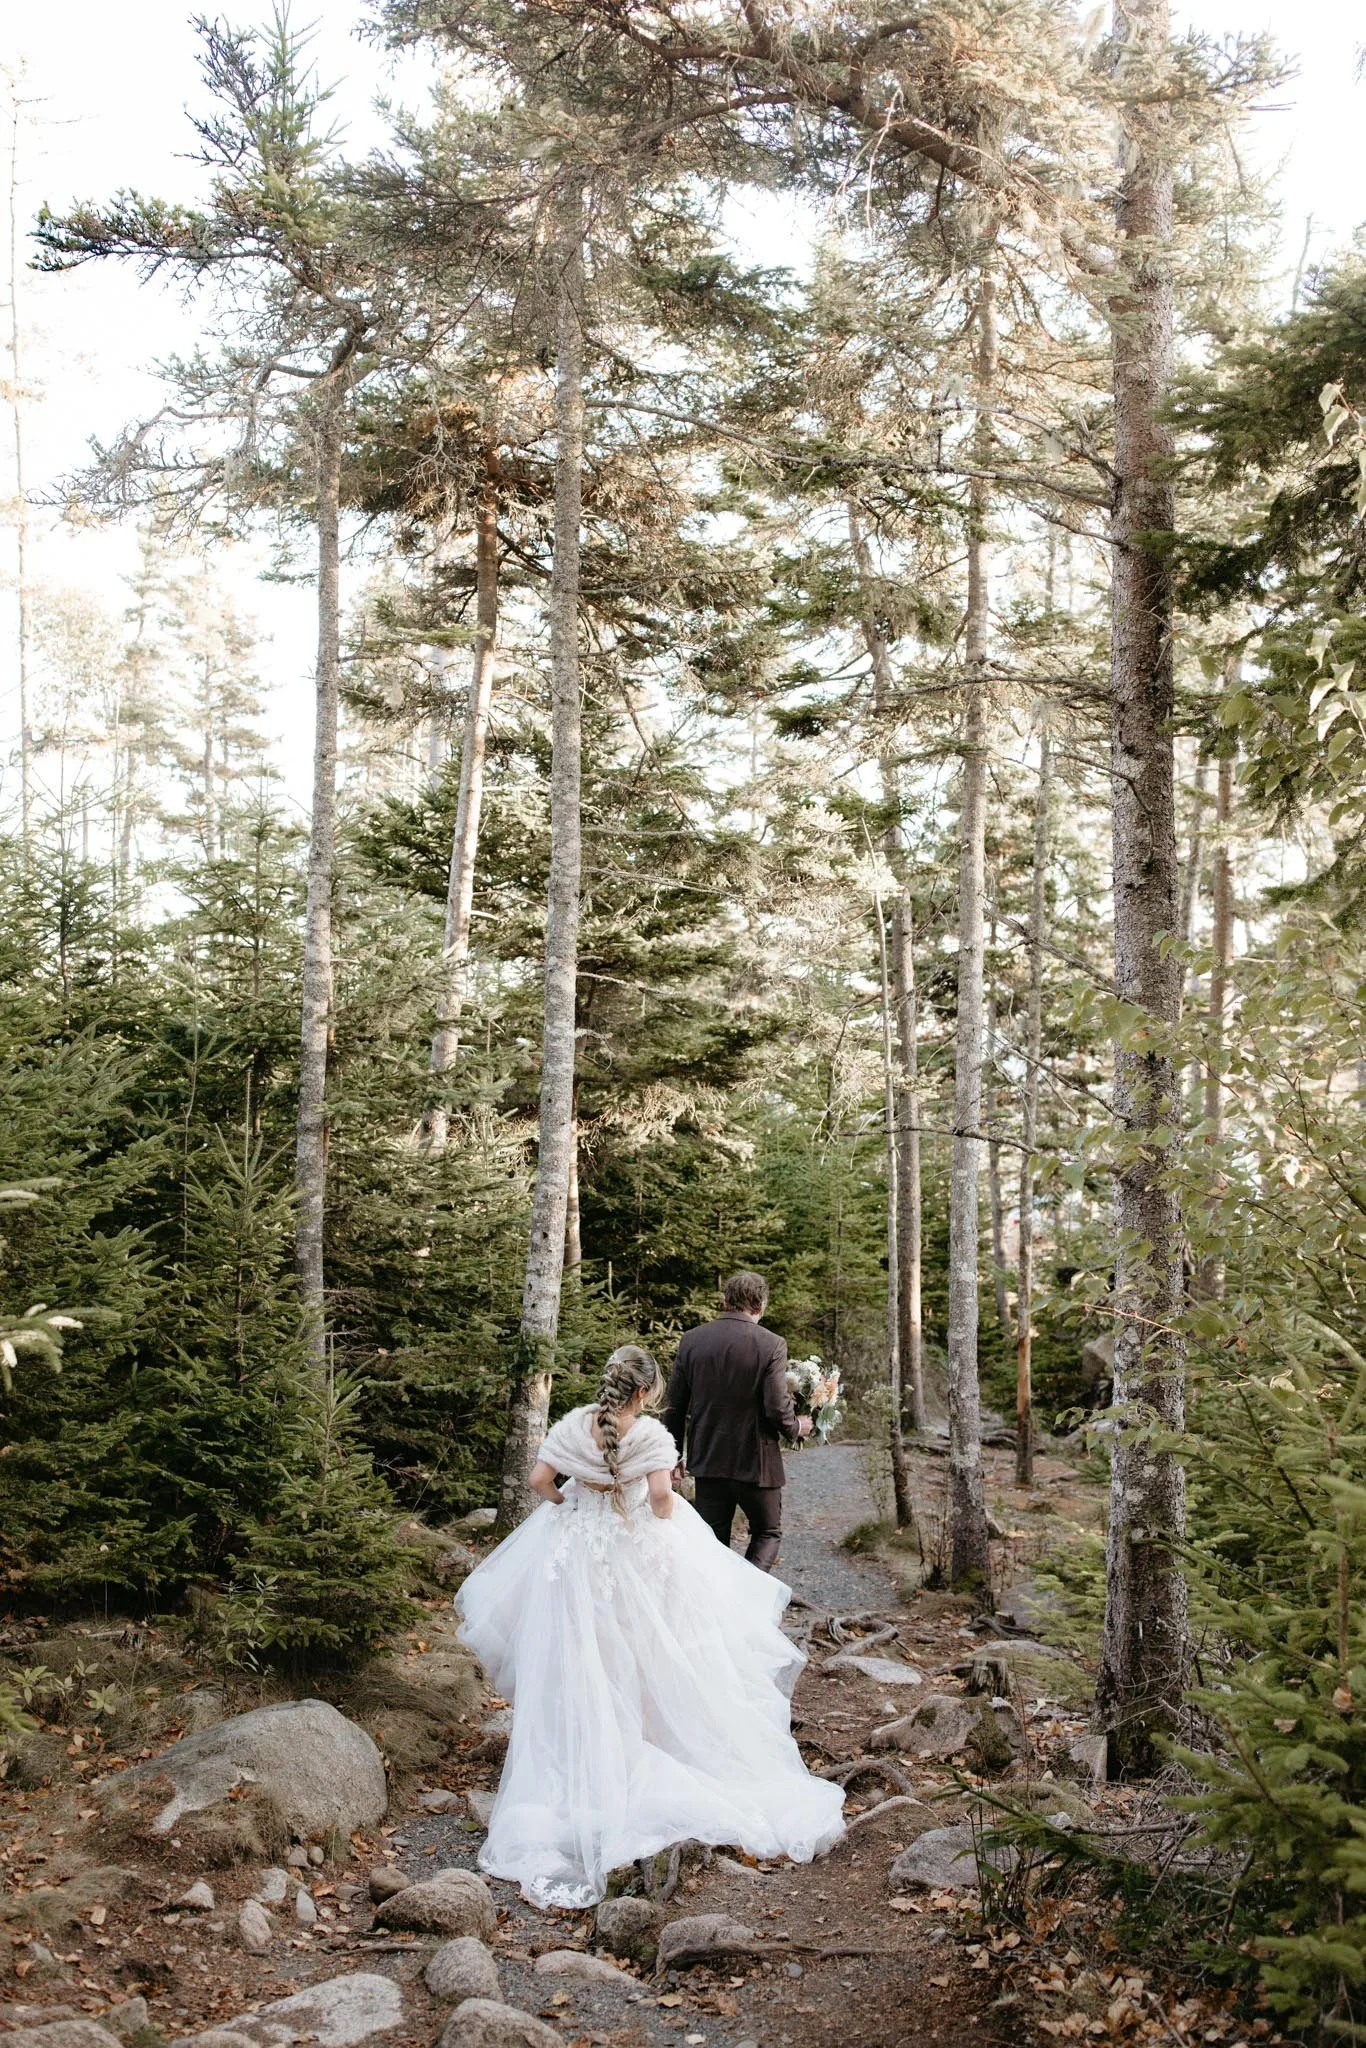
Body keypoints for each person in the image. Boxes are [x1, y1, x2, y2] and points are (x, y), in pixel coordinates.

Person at [455, 1343, 844, 1909]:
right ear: (644, 1392)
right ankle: (643, 1743)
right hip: (634, 1558)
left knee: (584, 1653)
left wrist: (571, 1504)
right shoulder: (654, 1439)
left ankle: (588, 1751)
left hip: (579, 1558)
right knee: (651, 1649)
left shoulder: (572, 1424)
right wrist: (658, 1515)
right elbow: (661, 1497)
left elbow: (539, 1480)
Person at [663, 1269, 810, 1572]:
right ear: (761, 1305)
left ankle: (718, 1609)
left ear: (726, 1300)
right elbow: (776, 1407)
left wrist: (672, 1455)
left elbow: (674, 1407)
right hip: (756, 1463)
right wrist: (797, 1427)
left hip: (708, 1460)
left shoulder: (692, 1340)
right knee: (767, 1532)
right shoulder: (772, 1344)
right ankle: (749, 1601)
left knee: (711, 1542)